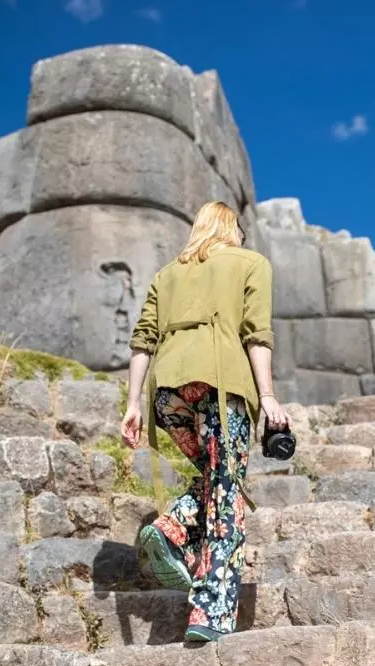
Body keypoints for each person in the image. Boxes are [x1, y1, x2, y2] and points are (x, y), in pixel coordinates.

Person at [120, 200, 290, 643]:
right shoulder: (251, 263)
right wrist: (268, 396)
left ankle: (171, 530)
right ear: (232, 229)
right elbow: (256, 334)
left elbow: (142, 340)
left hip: (169, 392)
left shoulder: (167, 274)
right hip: (221, 384)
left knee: (217, 478)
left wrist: (133, 404)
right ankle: (210, 611)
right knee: (227, 496)